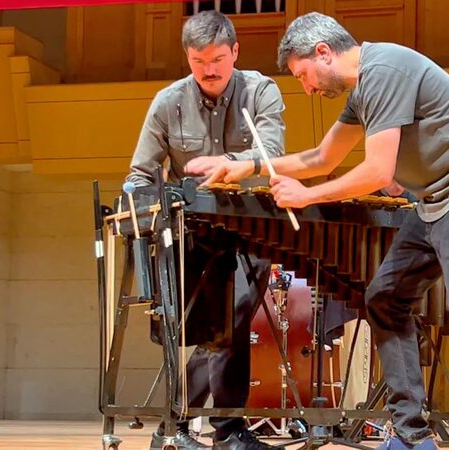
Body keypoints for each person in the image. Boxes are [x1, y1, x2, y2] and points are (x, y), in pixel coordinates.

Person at [200, 12, 449, 450]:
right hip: (438, 198)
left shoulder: (384, 71)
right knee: (385, 300)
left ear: (323, 53)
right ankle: (411, 436)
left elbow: (378, 172)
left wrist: (307, 196)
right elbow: (323, 158)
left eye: (303, 75)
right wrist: (248, 165)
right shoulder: (363, 89)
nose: (307, 88)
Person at [126, 10, 283, 450]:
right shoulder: (167, 102)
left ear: (235, 52)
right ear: (187, 57)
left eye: (217, 59)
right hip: (193, 233)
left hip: (251, 227)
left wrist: (228, 165)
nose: (209, 70)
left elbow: (272, 151)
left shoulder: (261, 91)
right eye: (198, 61)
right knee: (207, 329)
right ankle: (203, 430)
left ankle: (195, 427)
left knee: (228, 324)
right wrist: (148, 214)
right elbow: (140, 174)